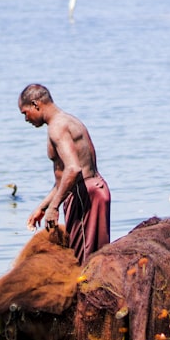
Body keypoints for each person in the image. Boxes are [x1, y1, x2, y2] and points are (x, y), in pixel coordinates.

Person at [18, 83, 110, 265]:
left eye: (25, 113)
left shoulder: (57, 127)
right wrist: (43, 207)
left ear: (36, 104)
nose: (26, 119)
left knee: (83, 263)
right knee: (91, 258)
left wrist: (54, 208)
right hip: (92, 190)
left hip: (86, 194)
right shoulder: (67, 121)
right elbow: (62, 178)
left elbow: (73, 169)